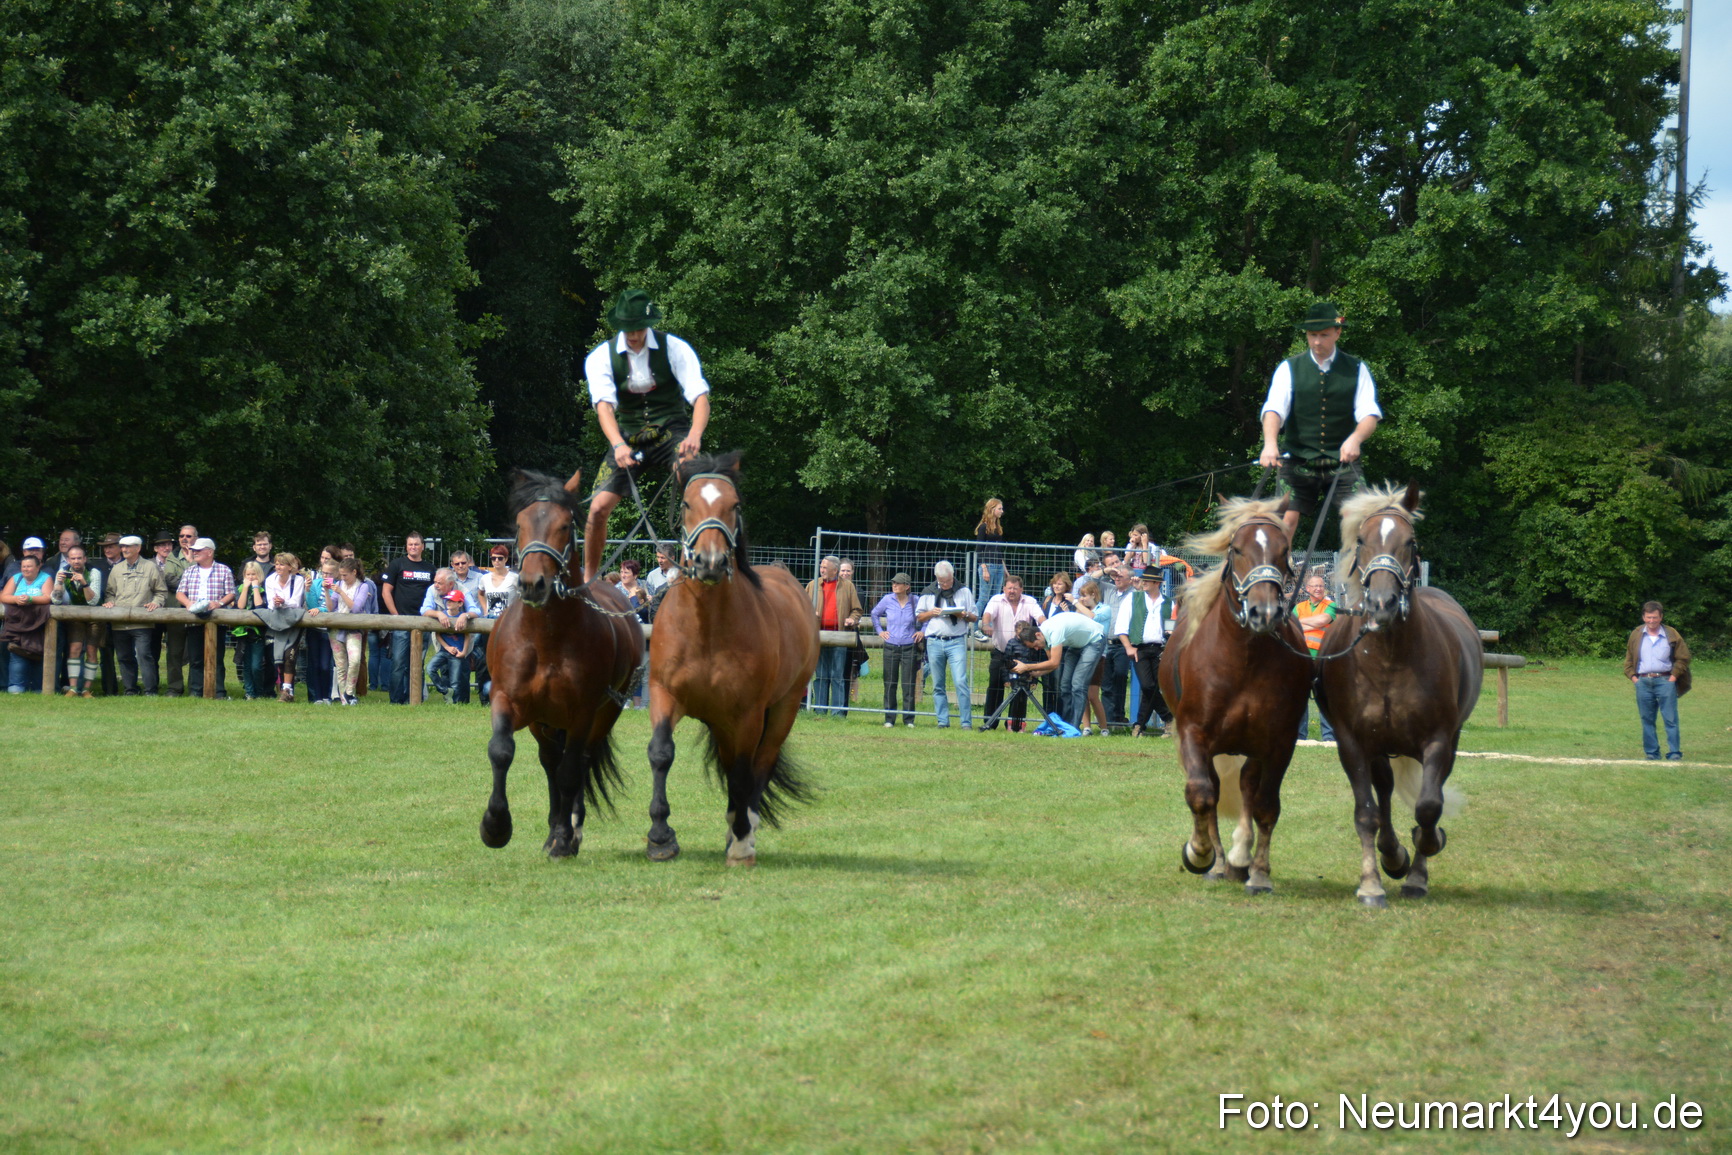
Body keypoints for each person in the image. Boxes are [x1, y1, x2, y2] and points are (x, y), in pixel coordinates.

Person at [581, 289, 711, 583]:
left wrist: (695, 435)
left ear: (649, 324)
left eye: (639, 328)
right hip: (627, 438)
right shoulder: (601, 356)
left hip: (671, 433)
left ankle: (686, 570)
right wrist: (617, 445)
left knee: (696, 483)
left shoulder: (675, 348)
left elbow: (700, 397)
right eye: (628, 329)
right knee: (598, 508)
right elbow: (604, 406)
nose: (634, 335)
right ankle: (589, 579)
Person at [1258, 301, 1382, 539]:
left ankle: (1357, 574)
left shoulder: (1357, 368)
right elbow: (1274, 409)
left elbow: (1369, 413)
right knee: (1285, 519)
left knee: (1360, 520)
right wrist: (1270, 443)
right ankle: (1278, 575)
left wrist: (1356, 438)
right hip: (1298, 460)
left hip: (1342, 462)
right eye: (1312, 335)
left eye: (1324, 335)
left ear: (1337, 333)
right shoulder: (1288, 368)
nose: (1317, 342)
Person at [1011, 606, 1106, 729]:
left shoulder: (1054, 632)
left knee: (1077, 685)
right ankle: (1065, 725)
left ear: (1038, 635)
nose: (1036, 648)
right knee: (1065, 685)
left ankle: (1073, 728)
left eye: (1035, 645)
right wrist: (1038, 673)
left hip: (1094, 640)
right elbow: (1051, 662)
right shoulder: (1043, 636)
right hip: (1077, 644)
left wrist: (1026, 667)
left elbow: (1055, 663)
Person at [1624, 601, 1692, 761]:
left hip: (1665, 681)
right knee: (1647, 719)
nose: (1651, 621)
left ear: (1661, 617)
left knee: (1670, 718)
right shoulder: (1636, 634)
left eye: (1655, 617)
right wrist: (1634, 678)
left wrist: (1673, 677)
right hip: (1643, 682)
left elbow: (1684, 657)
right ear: (1643, 617)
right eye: (1648, 618)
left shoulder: (1672, 634)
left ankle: (1674, 753)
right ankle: (1652, 753)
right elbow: (1628, 659)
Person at [915, 560, 978, 730]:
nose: (945, 585)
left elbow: (974, 617)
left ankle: (966, 722)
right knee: (938, 684)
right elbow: (919, 617)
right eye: (942, 582)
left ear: (953, 576)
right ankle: (942, 721)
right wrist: (931, 613)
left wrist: (963, 614)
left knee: (960, 681)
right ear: (936, 578)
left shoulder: (963, 591)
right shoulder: (928, 592)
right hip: (935, 641)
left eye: (948, 581)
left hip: (956, 641)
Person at [979, 574, 1045, 732]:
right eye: (1009, 588)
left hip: (1022, 656)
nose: (1012, 591)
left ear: (1021, 589)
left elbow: (1040, 617)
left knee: (1020, 689)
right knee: (995, 687)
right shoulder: (996, 599)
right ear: (1004, 589)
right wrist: (986, 624)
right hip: (1000, 652)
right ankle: (990, 723)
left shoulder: (1030, 601)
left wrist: (1045, 626)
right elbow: (987, 615)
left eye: (1015, 588)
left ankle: (1015, 725)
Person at [104, 535, 169, 695]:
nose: (124, 549)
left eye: (128, 546)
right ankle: (130, 690)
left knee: (144, 656)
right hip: (119, 622)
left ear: (138, 548)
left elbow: (161, 592)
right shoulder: (117, 569)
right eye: (122, 546)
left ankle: (150, 690)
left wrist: (156, 603)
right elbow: (110, 593)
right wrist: (110, 602)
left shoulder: (150, 567)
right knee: (124, 657)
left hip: (143, 622)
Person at [1115, 568, 1172, 738]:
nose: (1143, 582)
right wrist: (1128, 647)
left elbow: (1171, 628)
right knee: (1148, 685)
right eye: (1143, 579)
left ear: (1156, 583)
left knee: (1153, 690)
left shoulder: (1168, 602)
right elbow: (1121, 626)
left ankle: (1139, 726)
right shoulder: (1133, 599)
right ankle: (1169, 718)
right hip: (1139, 648)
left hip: (1161, 650)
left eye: (1147, 580)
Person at [176, 536, 236, 698]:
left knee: (217, 658)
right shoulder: (189, 571)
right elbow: (180, 593)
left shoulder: (224, 570)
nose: (194, 553)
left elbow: (231, 593)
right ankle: (196, 691)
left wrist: (219, 603)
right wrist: (189, 604)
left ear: (209, 552)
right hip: (194, 620)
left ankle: (218, 691)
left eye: (198, 550)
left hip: (217, 620)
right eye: (193, 550)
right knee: (195, 658)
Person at [804, 555, 863, 718]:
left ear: (835, 570)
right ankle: (820, 711)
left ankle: (837, 713)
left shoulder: (848, 586)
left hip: (840, 637)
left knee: (837, 676)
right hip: (819, 637)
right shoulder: (812, 585)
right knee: (821, 675)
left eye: (825, 568)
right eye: (821, 567)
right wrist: (810, 613)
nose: (822, 570)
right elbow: (802, 607)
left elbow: (857, 610)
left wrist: (852, 619)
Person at [381, 534, 436, 705]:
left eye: (416, 544)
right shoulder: (397, 565)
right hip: (402, 622)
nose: (413, 547)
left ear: (422, 547)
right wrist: (395, 616)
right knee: (398, 663)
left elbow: (435, 593)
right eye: (410, 544)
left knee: (417, 664)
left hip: (423, 623)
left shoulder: (430, 568)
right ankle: (396, 700)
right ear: (406, 547)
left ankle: (415, 699)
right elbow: (386, 591)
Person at [49, 545, 103, 697]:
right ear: (68, 560)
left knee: (92, 651)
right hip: (76, 615)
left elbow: (93, 601)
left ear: (85, 559)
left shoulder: (94, 572)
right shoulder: (62, 572)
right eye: (73, 558)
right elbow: (56, 601)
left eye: (79, 558)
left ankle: (87, 689)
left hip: (95, 616)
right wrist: (59, 584)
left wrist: (84, 583)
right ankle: (73, 688)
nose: (76, 561)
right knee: (74, 649)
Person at [869, 572, 921, 727]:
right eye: (893, 583)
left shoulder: (915, 600)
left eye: (898, 583)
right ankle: (889, 718)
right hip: (890, 646)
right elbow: (874, 614)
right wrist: (880, 631)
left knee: (908, 683)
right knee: (890, 682)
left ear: (907, 586)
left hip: (909, 646)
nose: (895, 585)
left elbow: (925, 618)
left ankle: (909, 719)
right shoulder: (887, 599)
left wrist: (922, 631)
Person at [1293, 572, 1337, 741]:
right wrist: (1309, 622)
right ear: (1307, 589)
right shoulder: (1299, 607)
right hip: (1301, 657)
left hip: (1323, 658)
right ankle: (1300, 737)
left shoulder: (1330, 604)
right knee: (1300, 697)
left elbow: (1322, 620)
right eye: (1315, 586)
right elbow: (1291, 625)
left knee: (1325, 697)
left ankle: (1329, 738)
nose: (1319, 589)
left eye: (1321, 586)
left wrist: (1302, 623)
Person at [1, 553, 53, 692]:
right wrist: (16, 599)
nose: (25, 569)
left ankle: (38, 688)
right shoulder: (16, 578)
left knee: (38, 660)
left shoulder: (46, 578)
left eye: (29, 566)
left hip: (39, 628)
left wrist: (30, 599)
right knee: (16, 659)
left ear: (38, 567)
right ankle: (15, 687)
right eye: (23, 566)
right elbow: (4, 596)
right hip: (17, 628)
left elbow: (48, 597)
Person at [475, 545, 519, 703]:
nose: (496, 561)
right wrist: (485, 609)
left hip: (508, 623)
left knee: (508, 658)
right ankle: (485, 695)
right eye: (493, 558)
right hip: (490, 620)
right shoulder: (485, 578)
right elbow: (480, 593)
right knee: (485, 659)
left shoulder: (514, 578)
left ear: (506, 559)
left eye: (500, 558)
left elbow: (524, 597)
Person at [157, 526, 196, 695]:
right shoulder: (171, 557)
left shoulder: (203, 554)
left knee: (196, 653)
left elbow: (203, 580)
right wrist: (191, 575)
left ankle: (196, 688)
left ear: (196, 537)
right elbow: (170, 580)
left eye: (188, 536)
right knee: (174, 653)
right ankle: (174, 688)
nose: (184, 538)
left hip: (197, 613)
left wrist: (190, 562)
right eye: (181, 536)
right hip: (175, 611)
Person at [329, 557, 373, 704]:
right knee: (341, 666)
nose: (342, 578)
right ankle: (344, 699)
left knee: (354, 661)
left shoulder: (363, 586)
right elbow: (330, 607)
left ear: (354, 572)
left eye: (345, 575)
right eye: (341, 575)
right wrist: (326, 590)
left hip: (354, 628)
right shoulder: (339, 584)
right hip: (336, 629)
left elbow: (355, 608)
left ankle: (349, 693)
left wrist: (341, 592)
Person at [265, 552, 307, 701]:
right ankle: (284, 689)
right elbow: (270, 602)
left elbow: (296, 602)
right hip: (277, 619)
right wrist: (277, 602)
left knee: (290, 654)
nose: (278, 567)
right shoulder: (270, 580)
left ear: (290, 567)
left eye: (282, 564)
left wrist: (283, 601)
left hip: (294, 620)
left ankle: (287, 689)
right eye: (276, 564)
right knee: (279, 655)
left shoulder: (298, 580)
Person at [1097, 565, 1136, 728]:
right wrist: (1107, 571)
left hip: (1122, 644)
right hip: (1106, 643)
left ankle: (1119, 717)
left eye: (1121, 577)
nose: (1117, 579)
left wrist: (1138, 586)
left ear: (1129, 579)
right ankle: (1107, 719)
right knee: (1106, 683)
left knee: (1120, 677)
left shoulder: (1134, 594)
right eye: (1116, 576)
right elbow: (1090, 579)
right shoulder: (1108, 590)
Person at [426, 588, 476, 704]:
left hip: (457, 653)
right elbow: (437, 634)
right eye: (448, 600)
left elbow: (467, 636)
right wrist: (447, 647)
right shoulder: (442, 615)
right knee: (430, 668)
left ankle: (455, 703)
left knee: (455, 681)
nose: (448, 603)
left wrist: (463, 652)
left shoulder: (463, 617)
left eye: (452, 601)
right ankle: (444, 690)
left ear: (460, 603)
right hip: (444, 651)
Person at [232, 561, 272, 699]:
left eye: (253, 574)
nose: (250, 577)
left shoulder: (264, 590)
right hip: (243, 633)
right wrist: (245, 588)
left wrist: (255, 588)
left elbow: (260, 606)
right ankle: (249, 692)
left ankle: (259, 692)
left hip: (257, 634)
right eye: (248, 574)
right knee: (246, 665)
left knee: (257, 666)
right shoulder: (239, 589)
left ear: (259, 575)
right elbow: (241, 606)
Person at [975, 498, 1006, 606]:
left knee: (996, 599)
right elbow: (979, 550)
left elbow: (999, 550)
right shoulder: (983, 527)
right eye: (1000, 509)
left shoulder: (998, 528)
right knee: (984, 598)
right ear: (992, 509)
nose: (1002, 511)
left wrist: (1004, 569)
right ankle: (973, 622)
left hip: (998, 565)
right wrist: (984, 569)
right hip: (988, 565)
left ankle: (991, 623)